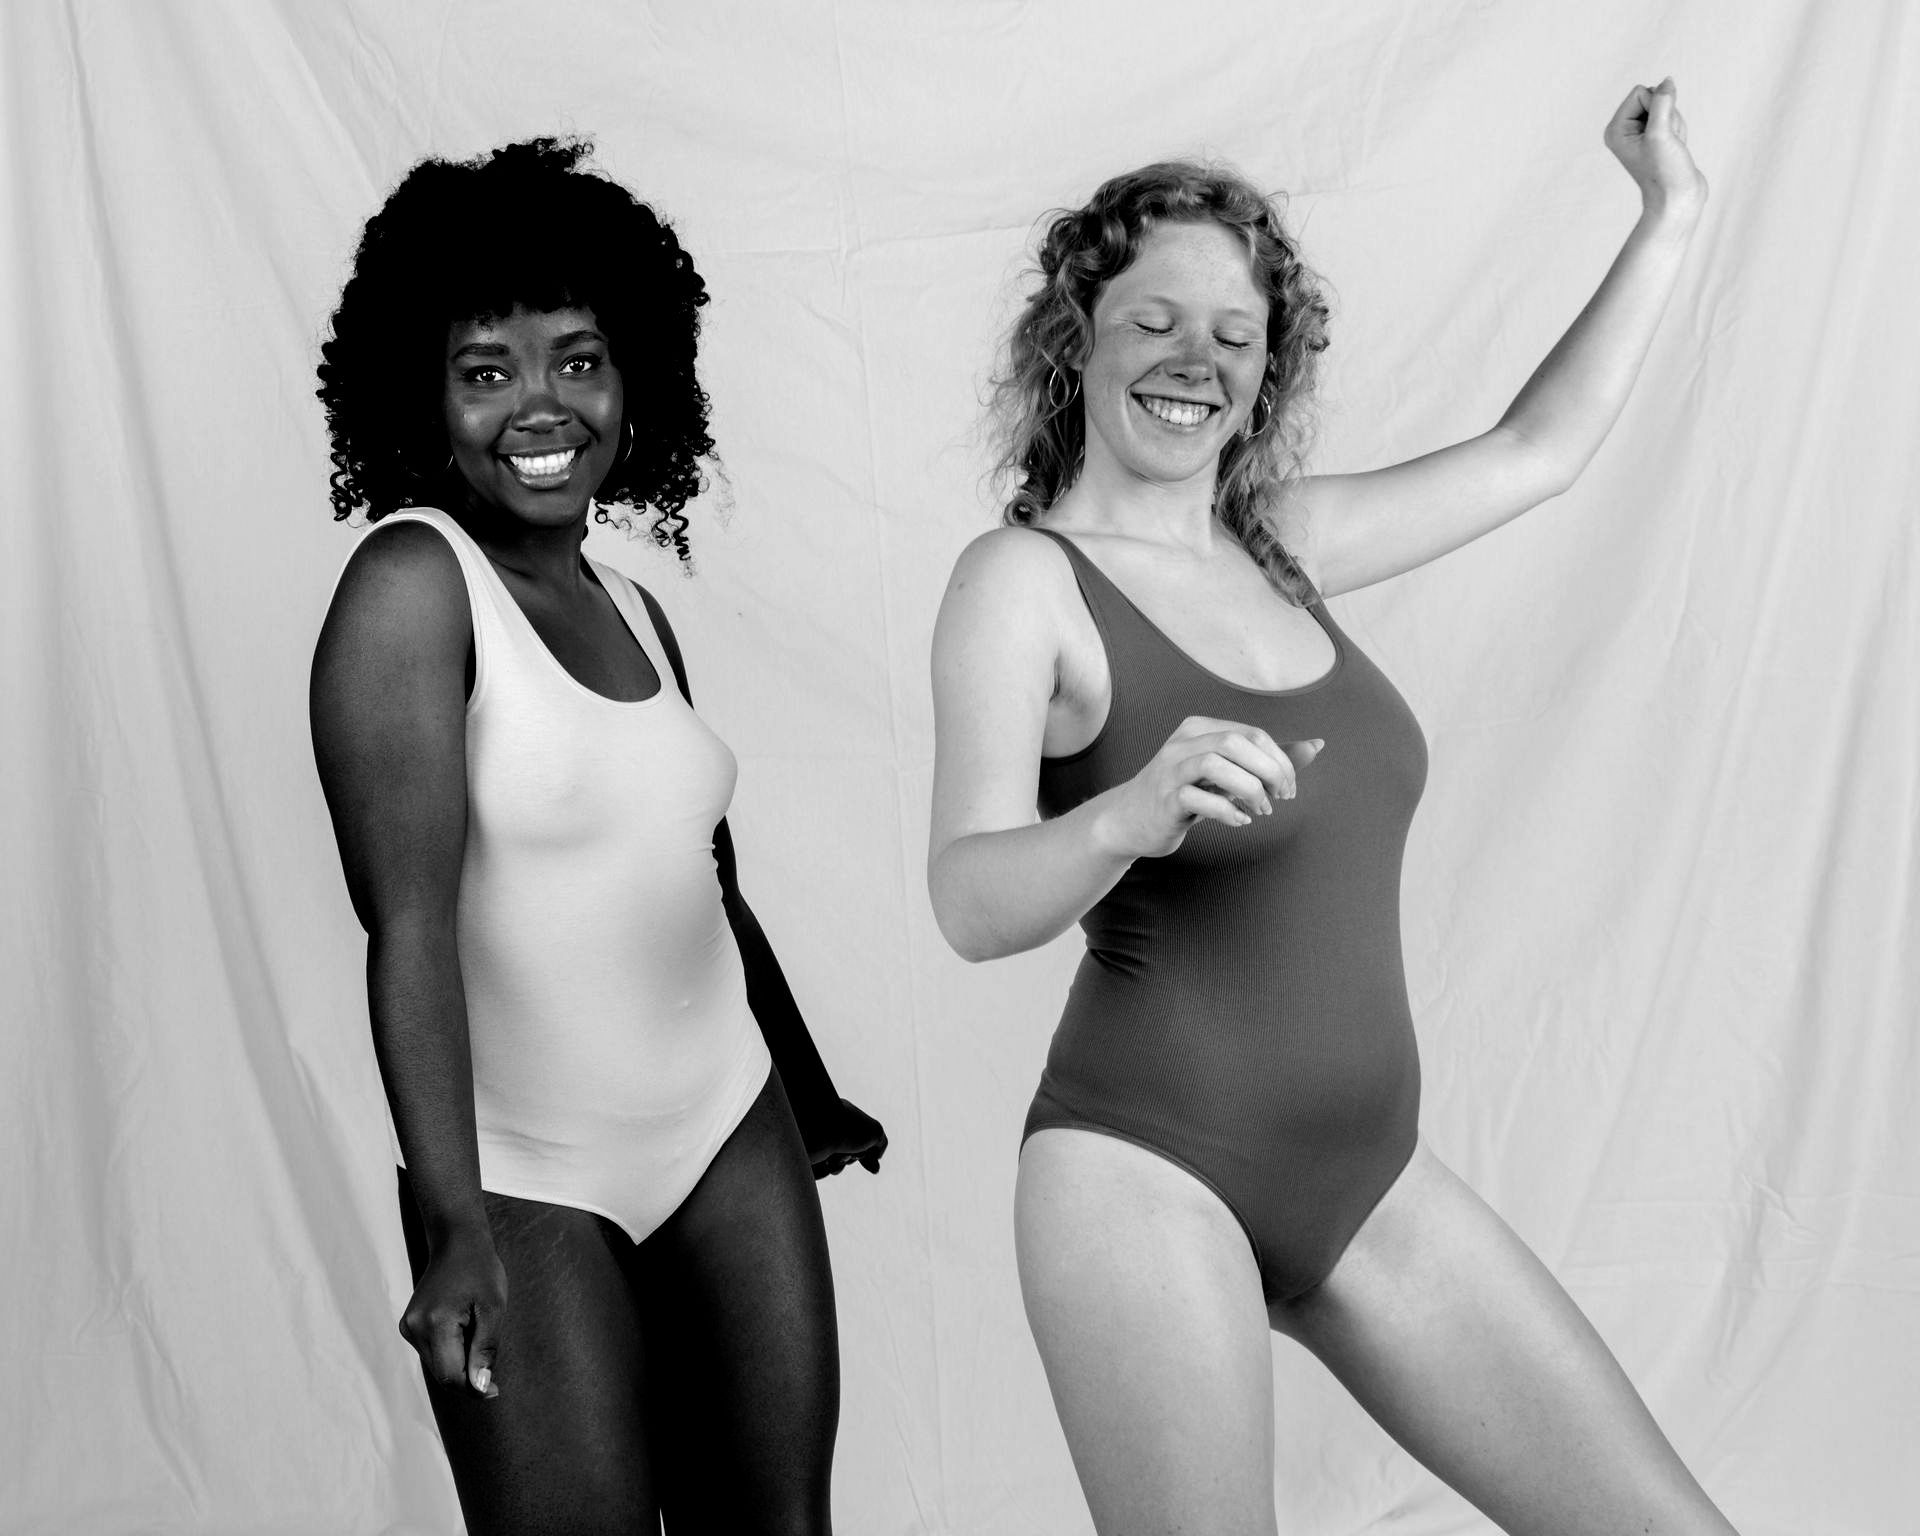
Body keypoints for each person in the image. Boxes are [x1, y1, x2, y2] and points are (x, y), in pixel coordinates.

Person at [929, 81, 1736, 1534]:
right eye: (1154, 322)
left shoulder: (1281, 547)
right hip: (1141, 1174)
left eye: (1236, 337)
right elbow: (968, 899)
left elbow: (1533, 454)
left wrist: (1670, 211)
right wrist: (1129, 812)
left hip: (1368, 1177)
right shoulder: (1023, 585)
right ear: (1078, 341)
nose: (1196, 362)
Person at [309, 137, 883, 1535]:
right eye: (486, 370)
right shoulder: (412, 587)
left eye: (578, 358)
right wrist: (453, 1228)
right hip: (523, 1176)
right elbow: (411, 925)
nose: (541, 405)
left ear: (637, 381)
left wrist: (804, 1093)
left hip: (725, 1136)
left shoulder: (636, 609)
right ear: (425, 400)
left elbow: (701, 882)